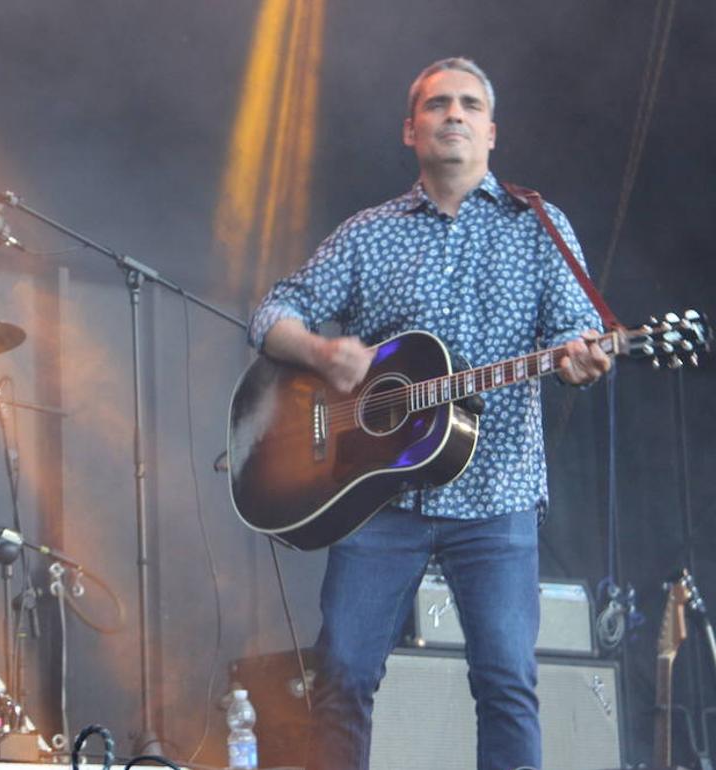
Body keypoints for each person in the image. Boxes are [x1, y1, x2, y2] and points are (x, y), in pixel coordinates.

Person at [248, 57, 612, 770]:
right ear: (409, 130)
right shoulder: (368, 234)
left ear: (491, 131)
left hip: (496, 494)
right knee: (344, 675)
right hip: (377, 498)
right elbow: (270, 313)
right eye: (438, 104)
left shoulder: (539, 225)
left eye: (470, 105)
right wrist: (323, 353)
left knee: (507, 681)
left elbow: (577, 333)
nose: (454, 114)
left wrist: (586, 360)